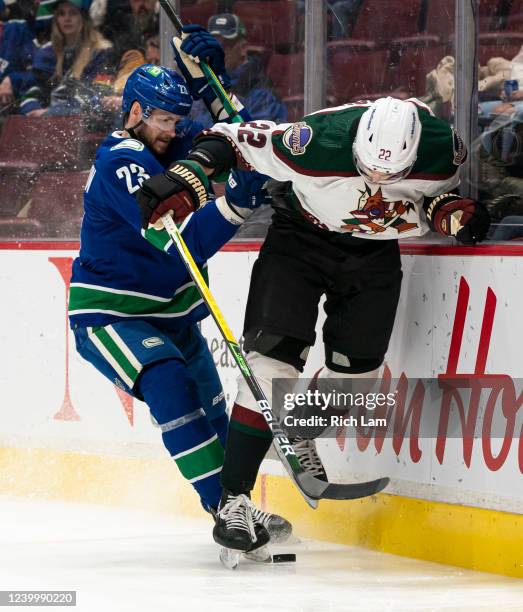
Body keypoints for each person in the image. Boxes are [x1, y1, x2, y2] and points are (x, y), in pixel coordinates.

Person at [136, 96, 491, 552]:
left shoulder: (445, 150)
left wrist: (449, 211)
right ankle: (233, 502)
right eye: (370, 168)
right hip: (298, 242)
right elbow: (230, 139)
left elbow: (434, 196)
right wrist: (186, 179)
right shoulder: (315, 142)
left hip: (374, 254)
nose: (380, 180)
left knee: (356, 381)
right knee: (270, 369)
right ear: (357, 145)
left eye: (392, 174)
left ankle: (299, 432)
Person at [68, 59, 290, 553]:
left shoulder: (172, 139)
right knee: (168, 381)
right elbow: (184, 241)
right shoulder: (121, 161)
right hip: (112, 314)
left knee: (216, 416)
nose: (174, 130)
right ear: (136, 112)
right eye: (164, 120)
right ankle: (222, 508)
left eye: (177, 118)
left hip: (176, 313)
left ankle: (237, 505)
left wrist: (212, 79)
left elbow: (244, 134)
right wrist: (235, 204)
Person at [20, 0, 114, 117]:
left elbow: (99, 95)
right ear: (56, 19)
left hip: (86, 125)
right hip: (44, 122)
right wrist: (32, 109)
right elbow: (31, 90)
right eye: (61, 14)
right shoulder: (47, 52)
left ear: (84, 17)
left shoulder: (101, 51)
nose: (67, 19)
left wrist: (52, 113)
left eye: (73, 13)